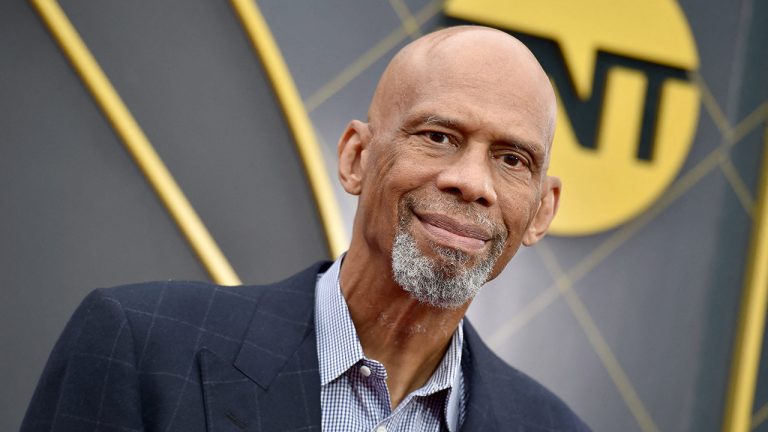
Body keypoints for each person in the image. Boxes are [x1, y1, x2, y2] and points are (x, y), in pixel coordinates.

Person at [22, 26, 589, 431]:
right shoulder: (142, 350)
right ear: (356, 158)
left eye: (513, 159)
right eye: (438, 136)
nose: (472, 182)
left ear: (542, 210)